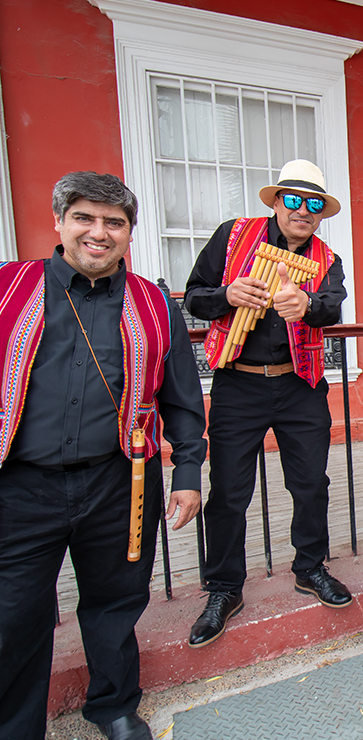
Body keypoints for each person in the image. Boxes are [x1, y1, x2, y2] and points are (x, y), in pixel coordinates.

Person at [0, 172, 207, 740]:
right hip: (20, 488)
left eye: (114, 222)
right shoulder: (9, 288)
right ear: (59, 223)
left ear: (129, 232)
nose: (99, 232)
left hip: (121, 483)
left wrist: (188, 472)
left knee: (116, 604)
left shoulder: (154, 303)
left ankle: (114, 706)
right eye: (84, 218)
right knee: (13, 615)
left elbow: (182, 398)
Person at [183, 160, 351, 649]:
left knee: (311, 483)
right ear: (277, 201)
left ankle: (310, 567)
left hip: (300, 384)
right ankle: (224, 587)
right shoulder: (232, 236)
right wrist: (228, 295)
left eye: (314, 203)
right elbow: (193, 297)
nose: (303, 210)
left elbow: (332, 305)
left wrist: (308, 305)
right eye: (293, 199)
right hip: (239, 383)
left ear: (321, 212)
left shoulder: (328, 258)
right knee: (228, 490)